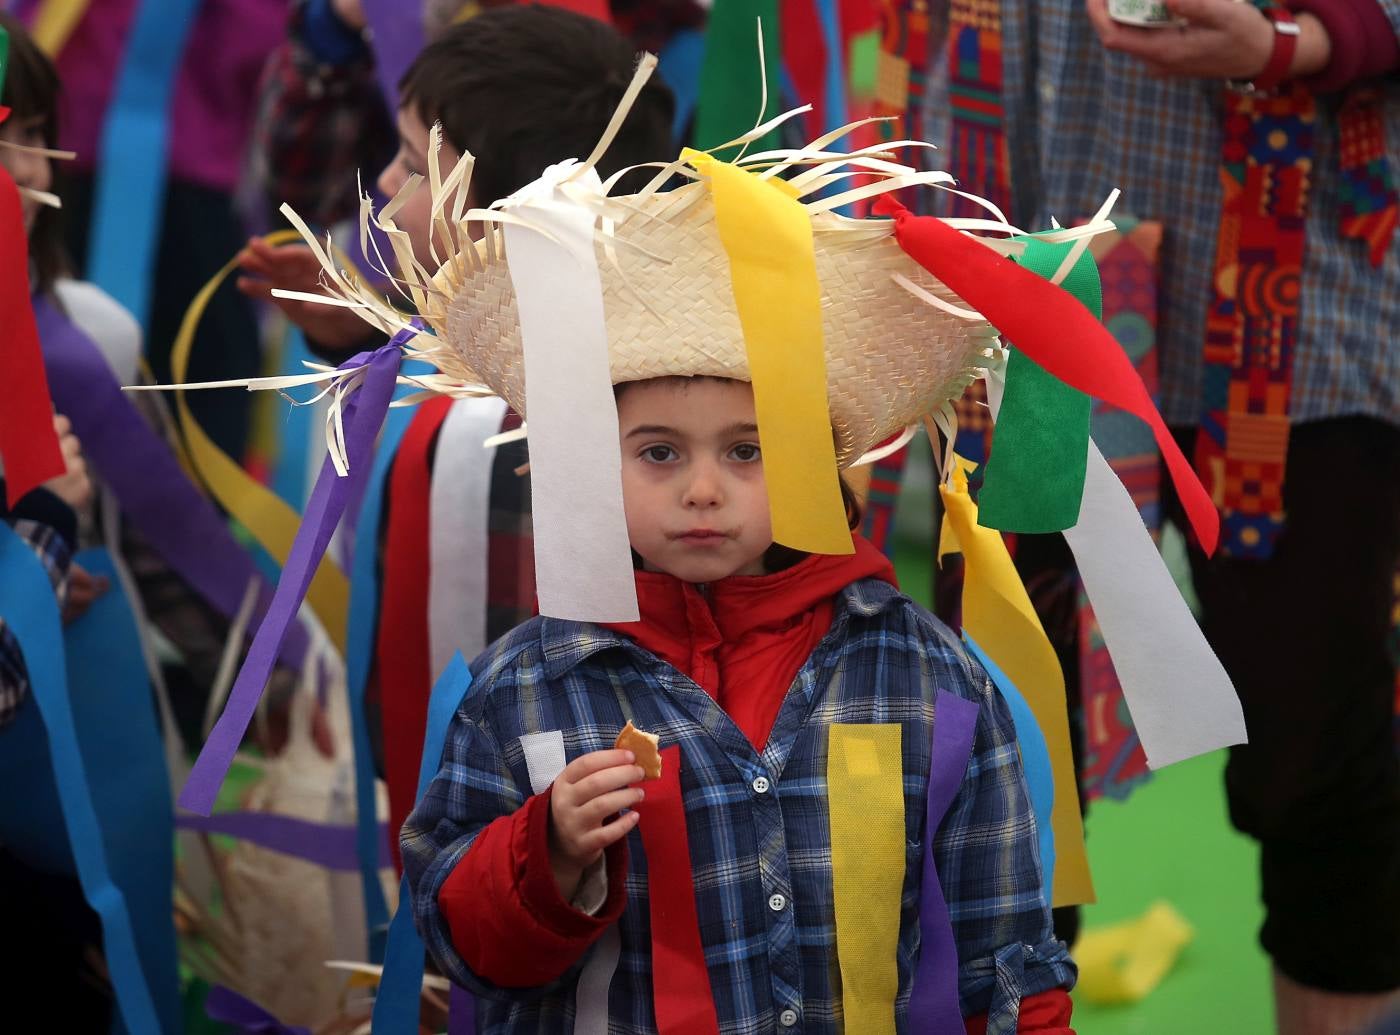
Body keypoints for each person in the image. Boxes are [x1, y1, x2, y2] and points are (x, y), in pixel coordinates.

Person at [920, 1, 1400, 1028]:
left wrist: (1301, 41)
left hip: (1299, 307)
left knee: (1325, 766)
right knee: (998, 775)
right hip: (1011, 282)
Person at [401, 377, 1077, 1032]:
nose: (702, 491)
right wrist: (546, 856)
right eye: (659, 451)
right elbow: (459, 945)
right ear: (594, 460)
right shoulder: (519, 695)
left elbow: (1003, 956)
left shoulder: (927, 677)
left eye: (747, 451)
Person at [237, 4, 677, 858]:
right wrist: (350, 329)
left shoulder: (509, 439)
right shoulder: (545, 371)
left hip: (528, 835)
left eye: (409, 166)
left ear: (505, 220)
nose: (388, 197)